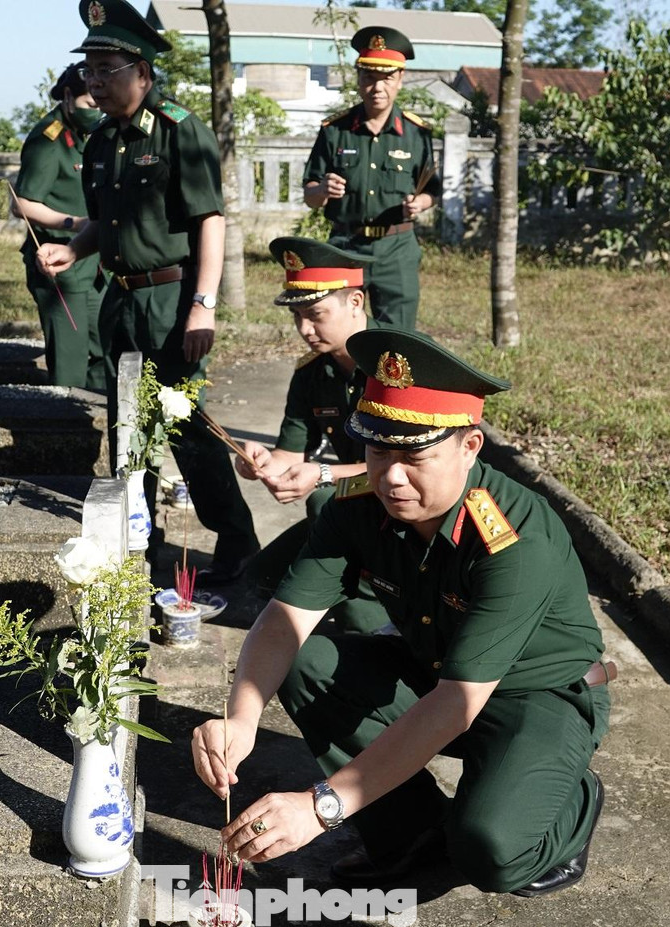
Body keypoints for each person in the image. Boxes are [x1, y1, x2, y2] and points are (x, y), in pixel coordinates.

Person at [191, 328, 614, 896]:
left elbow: (457, 705)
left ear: (469, 447)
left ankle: (571, 798)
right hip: (437, 671)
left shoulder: (512, 541)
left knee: (492, 853)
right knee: (303, 661)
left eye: (415, 455)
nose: (391, 476)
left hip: (535, 694)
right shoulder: (359, 506)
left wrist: (320, 807)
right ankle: (414, 841)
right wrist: (241, 718)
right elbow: (284, 617)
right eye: (378, 450)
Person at [36, 0, 259, 582]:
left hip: (172, 298)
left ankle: (238, 545)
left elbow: (210, 219)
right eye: (89, 70)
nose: (94, 81)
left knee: (183, 424)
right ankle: (141, 545)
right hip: (122, 302)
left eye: (106, 68)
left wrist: (203, 308)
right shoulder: (101, 141)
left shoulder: (181, 132)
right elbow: (103, 222)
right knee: (126, 428)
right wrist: (73, 249)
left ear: (142, 70)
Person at [233, 235, 385, 633]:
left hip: (409, 505)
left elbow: (406, 467)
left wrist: (323, 475)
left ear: (356, 302)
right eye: (297, 316)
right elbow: (289, 454)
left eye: (316, 314)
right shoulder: (312, 373)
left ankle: (379, 618)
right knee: (260, 580)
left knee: (323, 501)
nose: (305, 328)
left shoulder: (398, 365)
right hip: (358, 500)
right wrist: (260, 460)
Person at [302, 26, 441, 333]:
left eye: (386, 78)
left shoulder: (417, 134)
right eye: (369, 77)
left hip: (397, 250)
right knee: (338, 334)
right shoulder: (334, 130)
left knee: (397, 341)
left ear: (400, 80)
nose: (377, 87)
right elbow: (309, 193)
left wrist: (420, 203)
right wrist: (323, 189)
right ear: (358, 79)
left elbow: (432, 190)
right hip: (345, 248)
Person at [12, 65, 107, 391]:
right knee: (70, 359)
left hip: (95, 265)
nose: (96, 110)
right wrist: (76, 223)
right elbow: (21, 204)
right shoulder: (49, 139)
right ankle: (67, 432)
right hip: (57, 265)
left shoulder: (93, 135)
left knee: (105, 350)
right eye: (89, 104)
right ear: (67, 97)